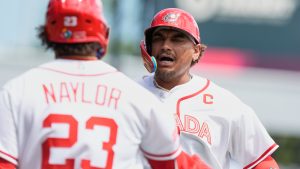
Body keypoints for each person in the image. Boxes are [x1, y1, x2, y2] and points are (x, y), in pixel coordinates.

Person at [0, 1, 211, 169]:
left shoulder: (18, 91)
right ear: (104, 34)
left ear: (47, 33)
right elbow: (176, 164)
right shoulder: (138, 97)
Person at [139, 8, 280, 169]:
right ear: (148, 47)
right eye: (158, 39)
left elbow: (263, 163)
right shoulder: (129, 94)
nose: (165, 46)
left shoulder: (225, 104)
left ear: (196, 51)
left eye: (177, 39)